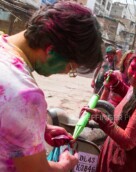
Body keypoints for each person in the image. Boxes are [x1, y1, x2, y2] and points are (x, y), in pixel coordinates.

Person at [0, 2, 103, 171]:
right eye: (70, 68)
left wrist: (39, 128)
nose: (66, 73)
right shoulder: (26, 96)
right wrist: (64, 165)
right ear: (51, 50)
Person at [81, 45, 136, 172]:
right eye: (133, 68)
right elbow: (131, 99)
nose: (135, 75)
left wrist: (100, 118)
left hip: (129, 165)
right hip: (116, 157)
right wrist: (116, 84)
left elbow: (128, 141)